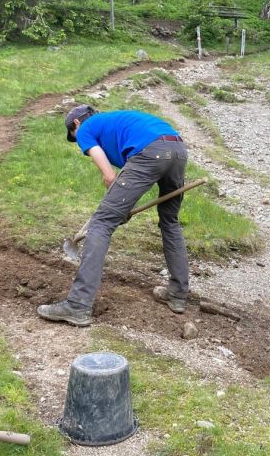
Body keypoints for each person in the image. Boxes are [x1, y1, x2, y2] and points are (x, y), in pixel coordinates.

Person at [37, 105, 190, 327]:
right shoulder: (116, 122)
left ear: (76, 124)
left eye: (73, 135)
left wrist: (115, 210)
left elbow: (109, 175)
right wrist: (121, 208)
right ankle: (177, 294)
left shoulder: (86, 128)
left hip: (150, 151)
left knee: (101, 223)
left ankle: (78, 305)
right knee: (170, 222)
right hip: (177, 149)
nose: (78, 141)